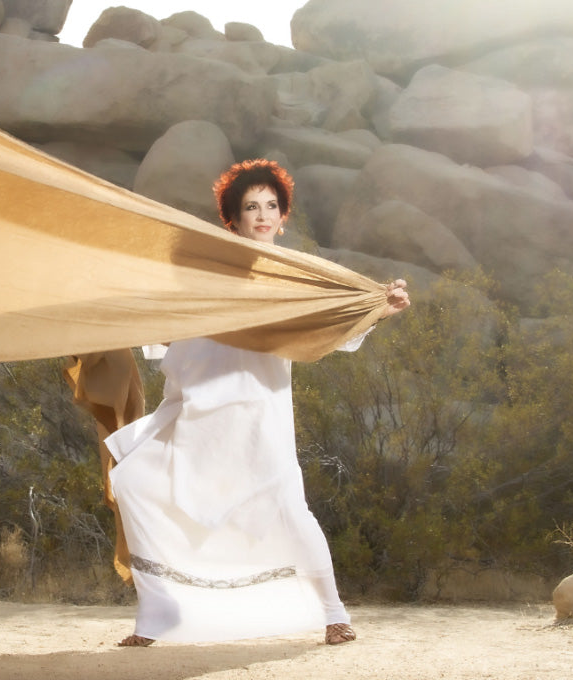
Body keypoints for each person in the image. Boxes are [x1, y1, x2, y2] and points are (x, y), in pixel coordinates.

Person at [106, 159, 410, 648]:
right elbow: (171, 325)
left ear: (283, 216)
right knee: (136, 481)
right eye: (251, 207)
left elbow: (331, 333)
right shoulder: (211, 274)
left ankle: (333, 614)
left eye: (271, 206)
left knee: (287, 507)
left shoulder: (294, 278)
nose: (263, 215)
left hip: (259, 412)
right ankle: (156, 618)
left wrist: (378, 309)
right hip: (201, 412)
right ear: (234, 217)